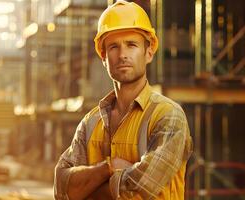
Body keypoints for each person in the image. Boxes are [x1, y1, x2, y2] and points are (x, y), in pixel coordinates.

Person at [54, 1, 193, 199]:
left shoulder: (169, 116)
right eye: (113, 47)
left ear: (149, 52)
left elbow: (141, 188)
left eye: (131, 45)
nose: (122, 55)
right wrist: (108, 168)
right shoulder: (90, 123)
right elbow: (61, 188)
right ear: (103, 56)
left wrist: (87, 190)